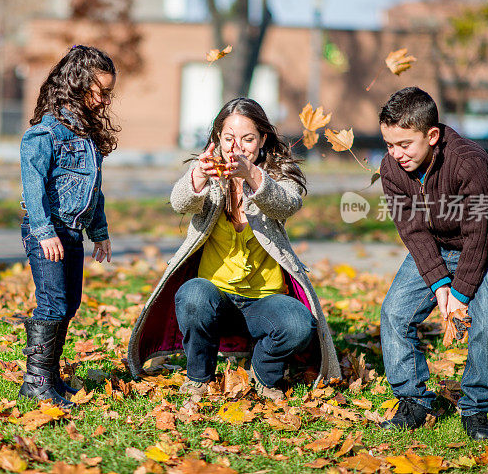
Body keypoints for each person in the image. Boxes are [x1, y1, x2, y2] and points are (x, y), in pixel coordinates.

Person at [127, 98, 341, 399]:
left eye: (248, 139)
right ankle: (199, 377)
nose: (237, 147)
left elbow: (287, 204)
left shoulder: (276, 175)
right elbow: (179, 202)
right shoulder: (211, 176)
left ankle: (265, 374)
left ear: (263, 139)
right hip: (215, 297)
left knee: (299, 325)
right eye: (228, 138)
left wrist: (251, 176)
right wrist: (199, 176)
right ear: (218, 139)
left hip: (265, 300)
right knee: (192, 295)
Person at [377, 87, 488, 440]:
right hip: (435, 244)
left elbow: (479, 236)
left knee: (486, 323)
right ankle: (414, 400)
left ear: (432, 135)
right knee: (394, 314)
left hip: (484, 245)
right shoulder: (392, 168)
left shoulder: (470, 162)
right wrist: (439, 285)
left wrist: (461, 295)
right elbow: (413, 230)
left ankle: (477, 407)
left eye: (405, 144)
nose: (396, 154)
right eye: (390, 144)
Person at [19, 45, 118, 407]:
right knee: (52, 305)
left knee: (69, 304)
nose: (106, 100)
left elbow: (95, 190)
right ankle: (35, 381)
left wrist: (100, 232)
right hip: (48, 231)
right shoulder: (47, 133)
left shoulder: (86, 137)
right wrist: (44, 232)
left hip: (73, 232)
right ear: (78, 85)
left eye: (109, 92)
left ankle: (52, 377)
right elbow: (32, 187)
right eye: (101, 91)